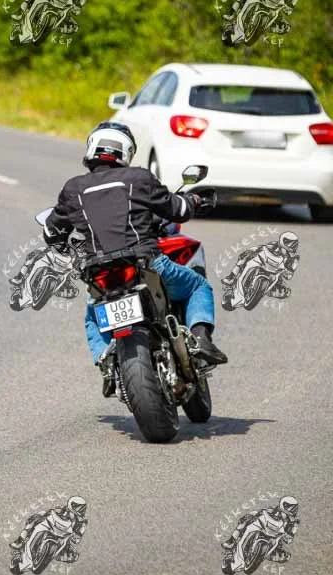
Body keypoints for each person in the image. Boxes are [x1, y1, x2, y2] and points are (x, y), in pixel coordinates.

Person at [42, 121, 227, 394]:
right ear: (126, 151)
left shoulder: (73, 189)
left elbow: (51, 231)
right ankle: (200, 339)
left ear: (92, 148)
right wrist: (195, 201)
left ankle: (106, 361)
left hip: (100, 274)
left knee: (93, 316)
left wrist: (65, 246)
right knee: (198, 286)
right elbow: (177, 210)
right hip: (146, 263)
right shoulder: (139, 178)